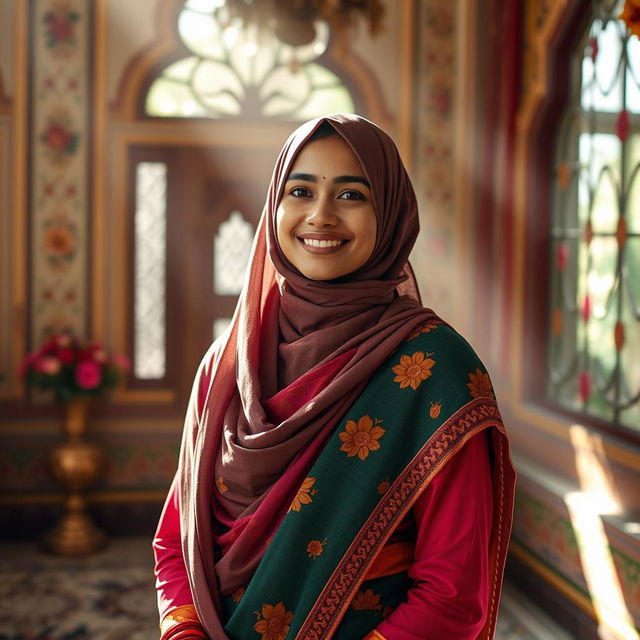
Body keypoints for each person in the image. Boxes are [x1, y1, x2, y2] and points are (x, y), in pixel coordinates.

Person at [153, 114, 516, 640]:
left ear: (391, 213)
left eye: (352, 195)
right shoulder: (227, 365)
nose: (320, 216)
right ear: (274, 206)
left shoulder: (436, 372)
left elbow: (453, 597)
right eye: (300, 191)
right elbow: (176, 538)